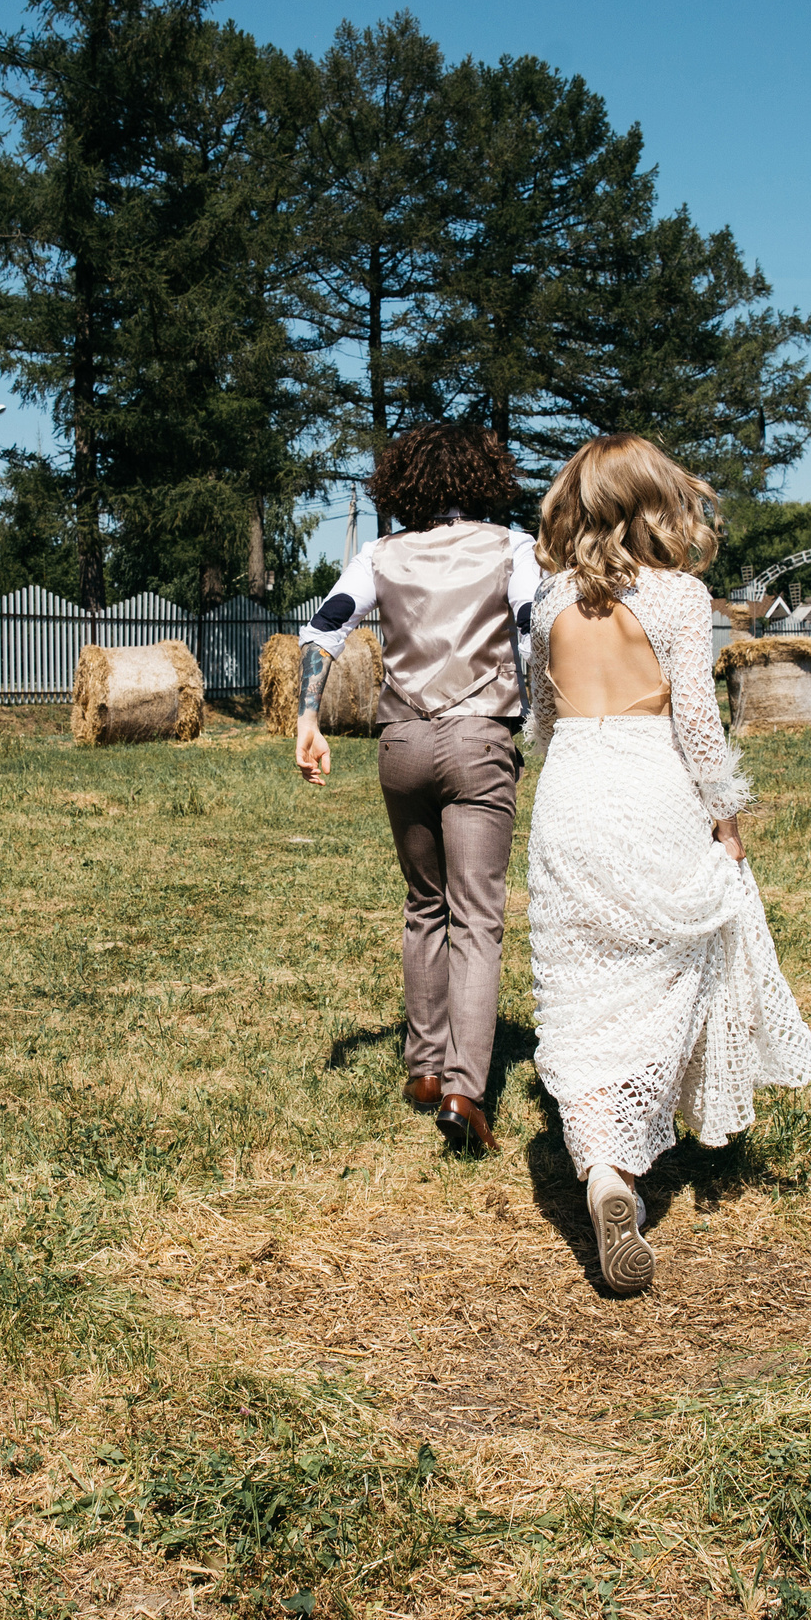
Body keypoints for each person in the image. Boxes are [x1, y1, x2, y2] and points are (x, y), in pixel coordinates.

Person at [526, 433, 811, 1292]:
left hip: (572, 791)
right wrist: (727, 818)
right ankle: (626, 1155)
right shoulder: (679, 597)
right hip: (651, 784)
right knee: (665, 977)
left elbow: (541, 718)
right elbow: (696, 720)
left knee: (577, 991)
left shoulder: (548, 601)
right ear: (655, 503)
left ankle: (600, 1166)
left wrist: (572, 758)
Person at [296, 425, 539, 1150]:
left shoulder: (380, 554)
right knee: (477, 917)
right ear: (485, 478)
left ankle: (424, 1069)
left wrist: (308, 719)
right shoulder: (512, 547)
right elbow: (533, 632)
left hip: (400, 743)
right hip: (479, 739)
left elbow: (323, 628)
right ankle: (466, 1091)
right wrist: (540, 719)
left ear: (403, 484)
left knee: (423, 905)